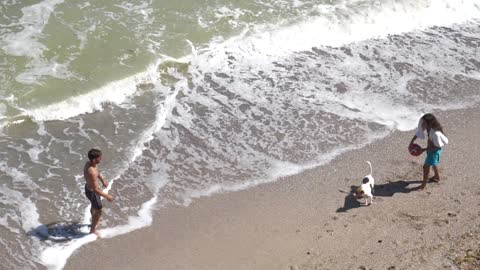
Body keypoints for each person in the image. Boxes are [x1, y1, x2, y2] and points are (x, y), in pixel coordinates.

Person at [409, 113, 448, 190]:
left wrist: (423, 150)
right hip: (430, 149)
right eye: (422, 122)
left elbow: (437, 148)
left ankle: (423, 185)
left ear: (429, 123)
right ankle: (437, 177)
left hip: (434, 151)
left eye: (424, 123)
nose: (422, 124)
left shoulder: (436, 133)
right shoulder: (428, 127)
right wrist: (412, 141)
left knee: (425, 167)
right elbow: (419, 132)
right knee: (434, 163)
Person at [84, 148, 113, 237]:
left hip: (89, 188)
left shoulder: (91, 164)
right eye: (99, 158)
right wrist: (107, 196)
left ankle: (93, 220)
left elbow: (98, 172)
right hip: (92, 192)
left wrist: (103, 179)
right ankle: (92, 230)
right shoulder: (91, 172)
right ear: (94, 159)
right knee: (99, 210)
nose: (101, 159)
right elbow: (96, 189)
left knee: (94, 206)